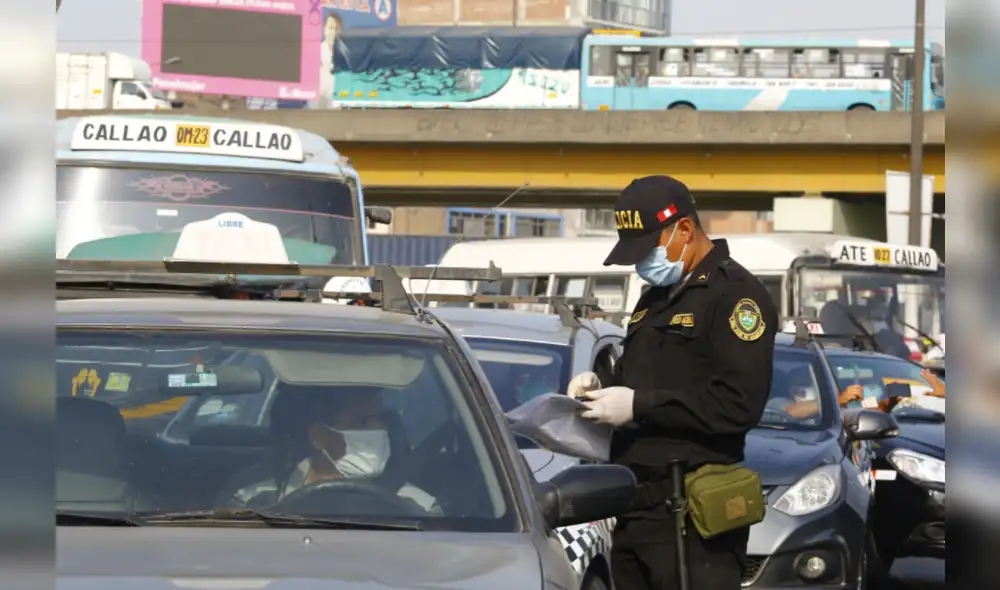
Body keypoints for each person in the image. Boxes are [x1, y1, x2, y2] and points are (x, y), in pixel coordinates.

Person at [571, 175, 778, 590]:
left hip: (693, 518)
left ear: (684, 230)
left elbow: (738, 404)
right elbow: (641, 374)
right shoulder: (655, 298)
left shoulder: (736, 296)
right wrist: (600, 384)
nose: (642, 263)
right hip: (636, 508)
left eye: (648, 249)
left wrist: (639, 405)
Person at [217, 384, 439, 514]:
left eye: (382, 419)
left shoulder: (417, 507)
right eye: (363, 421)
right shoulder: (256, 499)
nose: (380, 430)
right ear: (319, 436)